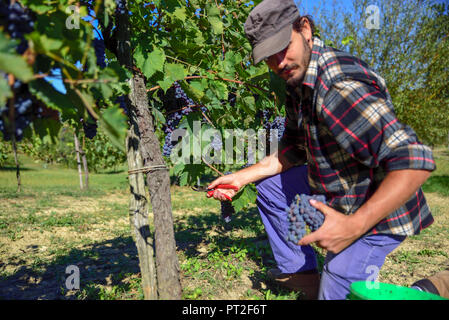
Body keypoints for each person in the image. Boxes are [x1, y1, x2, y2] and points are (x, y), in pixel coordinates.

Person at [207, 0, 436, 300]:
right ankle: (307, 278)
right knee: (272, 189)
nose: (278, 61)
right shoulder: (298, 80)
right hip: (341, 187)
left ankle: (428, 288)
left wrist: (353, 227)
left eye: (283, 46)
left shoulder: (337, 87)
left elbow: (413, 162)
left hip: (381, 209)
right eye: (268, 56)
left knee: (340, 279)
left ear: (305, 29)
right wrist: (240, 178)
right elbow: (294, 148)